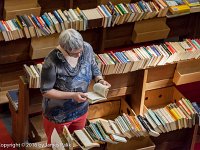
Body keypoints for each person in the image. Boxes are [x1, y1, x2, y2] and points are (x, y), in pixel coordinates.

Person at [40, 29, 111, 144]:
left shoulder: (86, 48)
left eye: (80, 51)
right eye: (74, 53)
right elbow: (46, 91)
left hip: (81, 110)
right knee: (57, 145)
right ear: (64, 48)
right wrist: (72, 95)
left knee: (78, 143)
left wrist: (99, 79)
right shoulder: (51, 61)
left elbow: (92, 64)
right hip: (58, 115)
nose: (79, 55)